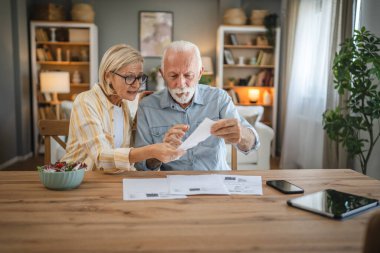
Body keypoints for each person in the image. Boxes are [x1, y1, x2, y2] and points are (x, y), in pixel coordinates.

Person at [135, 40, 260, 171]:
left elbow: (252, 144)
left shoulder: (218, 98)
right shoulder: (147, 107)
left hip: (215, 180)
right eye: (173, 76)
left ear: (200, 73)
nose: (181, 84)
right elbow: (142, 166)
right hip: (174, 184)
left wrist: (241, 135)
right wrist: (158, 153)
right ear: (163, 74)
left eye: (188, 75)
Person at [62, 44, 184, 171]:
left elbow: (135, 156)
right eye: (129, 77)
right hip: (79, 181)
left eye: (139, 77)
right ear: (107, 76)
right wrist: (151, 150)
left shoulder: (129, 105)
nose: (137, 84)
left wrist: (160, 148)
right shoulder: (85, 101)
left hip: (116, 180)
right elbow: (101, 157)